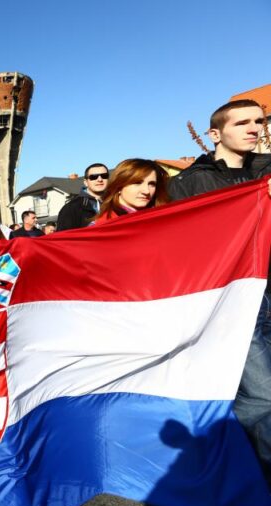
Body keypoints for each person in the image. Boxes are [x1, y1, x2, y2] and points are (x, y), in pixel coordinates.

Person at [167, 99, 271, 484]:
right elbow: (176, 245)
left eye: (259, 121)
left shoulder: (268, 172)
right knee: (262, 397)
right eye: (242, 122)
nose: (254, 128)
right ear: (215, 134)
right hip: (235, 302)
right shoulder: (190, 183)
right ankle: (255, 481)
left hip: (268, 289)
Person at [93, 159, 169, 225]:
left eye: (152, 184)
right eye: (137, 183)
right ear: (119, 186)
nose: (146, 191)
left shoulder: (163, 217)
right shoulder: (101, 227)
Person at [57, 163, 109, 231]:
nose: (99, 179)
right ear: (85, 182)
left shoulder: (117, 204)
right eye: (93, 177)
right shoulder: (71, 208)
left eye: (104, 176)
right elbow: (63, 238)